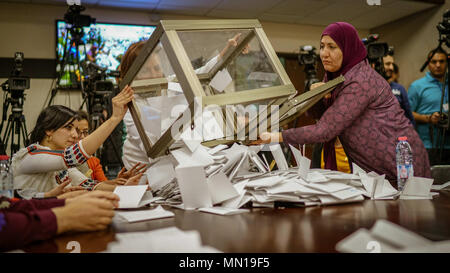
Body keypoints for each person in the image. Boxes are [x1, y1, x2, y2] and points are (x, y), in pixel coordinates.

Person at [257, 22, 431, 186]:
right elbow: (319, 116)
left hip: (401, 165)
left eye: (332, 47)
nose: (324, 53)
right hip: (375, 170)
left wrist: (274, 136)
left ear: (348, 49)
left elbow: (325, 130)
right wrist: (317, 95)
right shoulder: (336, 78)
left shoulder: (360, 80)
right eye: (322, 46)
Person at [120, 34, 248, 171]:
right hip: (146, 173)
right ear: (131, 75)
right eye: (145, 70)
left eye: (157, 68)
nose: (153, 75)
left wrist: (229, 52)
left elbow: (203, 74)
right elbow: (158, 145)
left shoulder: (170, 83)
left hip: (179, 163)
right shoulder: (132, 108)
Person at [11, 86, 143, 199]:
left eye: (75, 129)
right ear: (49, 130)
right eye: (68, 128)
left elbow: (90, 186)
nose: (75, 135)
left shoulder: (62, 165)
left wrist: (123, 185)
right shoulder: (31, 155)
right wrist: (114, 118)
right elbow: (74, 156)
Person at [0, 190, 119, 251]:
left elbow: (6, 205)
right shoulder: (34, 154)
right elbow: (70, 157)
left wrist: (66, 203)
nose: (75, 140)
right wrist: (63, 217)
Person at [75, 110, 147, 184]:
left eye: (85, 132)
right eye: (78, 132)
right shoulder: (65, 162)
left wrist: (118, 182)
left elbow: (102, 185)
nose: (82, 137)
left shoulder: (93, 161)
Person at [408, 48, 450, 165]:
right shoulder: (417, 86)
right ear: (428, 63)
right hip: (428, 145)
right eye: (433, 61)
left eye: (442, 61)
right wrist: (429, 118)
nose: (438, 65)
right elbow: (407, 113)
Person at [383, 54, 415, 126]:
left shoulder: (399, 88)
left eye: (392, 64)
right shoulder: (369, 87)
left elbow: (408, 115)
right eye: (388, 64)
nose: (391, 67)